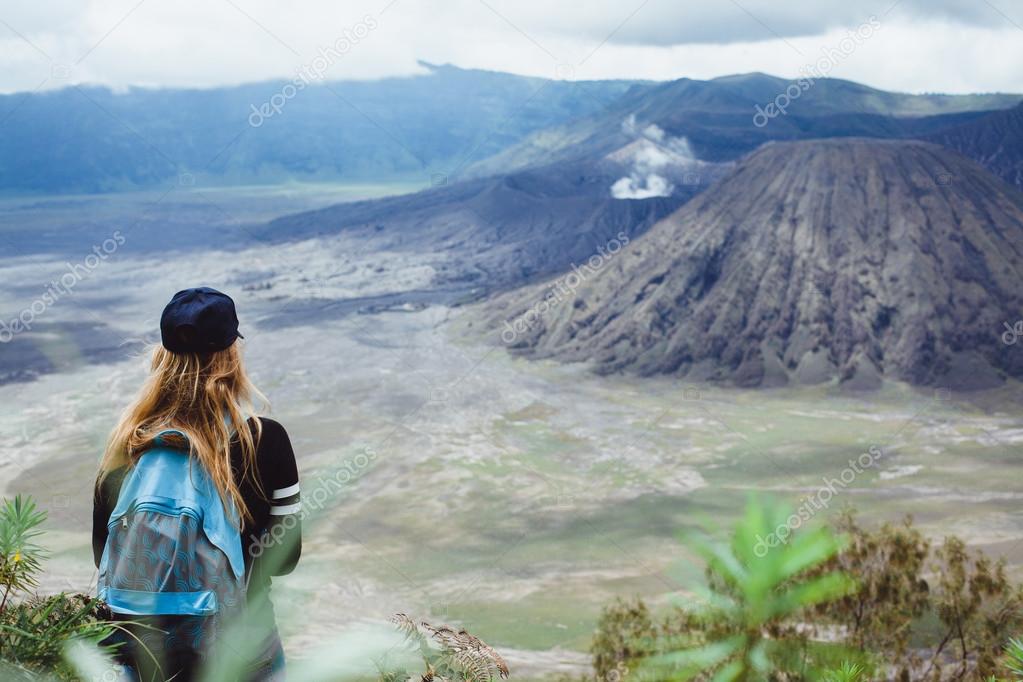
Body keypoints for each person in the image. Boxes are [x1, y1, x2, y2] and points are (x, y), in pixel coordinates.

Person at [91, 287, 301, 681]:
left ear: (164, 355)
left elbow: (105, 555)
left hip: (143, 655)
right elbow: (285, 559)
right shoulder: (265, 439)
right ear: (231, 355)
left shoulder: (127, 444)